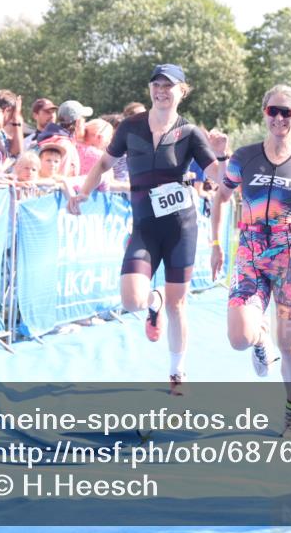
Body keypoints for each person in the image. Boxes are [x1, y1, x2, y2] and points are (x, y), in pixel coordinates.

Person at [67, 64, 229, 394]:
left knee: (178, 304)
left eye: (169, 86)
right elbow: (102, 164)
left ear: (183, 91)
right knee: (132, 300)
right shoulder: (130, 127)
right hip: (144, 227)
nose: (162, 90)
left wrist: (222, 153)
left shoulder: (190, 133)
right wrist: (84, 192)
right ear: (150, 89)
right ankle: (151, 302)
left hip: (181, 228)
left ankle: (176, 371)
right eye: (156, 84)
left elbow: (221, 180)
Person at [209, 84, 291, 438]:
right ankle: (259, 339)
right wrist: (215, 244)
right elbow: (221, 196)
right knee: (239, 338)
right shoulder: (245, 157)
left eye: (287, 112)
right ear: (264, 112)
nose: (279, 118)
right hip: (250, 258)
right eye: (273, 111)